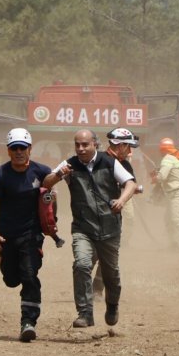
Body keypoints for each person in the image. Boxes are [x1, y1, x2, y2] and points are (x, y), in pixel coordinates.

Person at [43, 129, 137, 328]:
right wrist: (60, 174)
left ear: (95, 144)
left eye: (85, 144)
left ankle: (112, 305)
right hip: (83, 228)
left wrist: (121, 200)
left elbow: (130, 183)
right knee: (82, 265)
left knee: (111, 274)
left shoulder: (109, 162)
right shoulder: (70, 164)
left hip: (110, 228)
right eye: (77, 145)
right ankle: (85, 313)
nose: (80, 148)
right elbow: (46, 182)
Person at [0, 128, 53, 341]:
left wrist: (51, 223)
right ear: (8, 151)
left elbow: (51, 192)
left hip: (32, 235)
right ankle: (12, 271)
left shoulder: (41, 172)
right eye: (14, 148)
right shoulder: (0, 175)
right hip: (7, 237)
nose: (19, 152)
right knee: (12, 279)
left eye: (23, 148)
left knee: (30, 274)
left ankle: (28, 322)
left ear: (30, 149)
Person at [93, 127, 142, 299]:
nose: (130, 151)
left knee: (107, 254)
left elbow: (131, 185)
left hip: (113, 216)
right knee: (90, 255)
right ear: (120, 145)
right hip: (93, 214)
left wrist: (126, 196)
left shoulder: (126, 164)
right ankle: (84, 288)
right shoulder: (98, 160)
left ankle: (97, 287)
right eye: (128, 147)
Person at [154, 137, 179, 251]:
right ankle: (173, 243)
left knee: (176, 219)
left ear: (163, 149)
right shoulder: (175, 159)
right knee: (169, 219)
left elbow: (162, 177)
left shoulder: (167, 159)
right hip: (178, 193)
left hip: (177, 193)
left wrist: (154, 178)